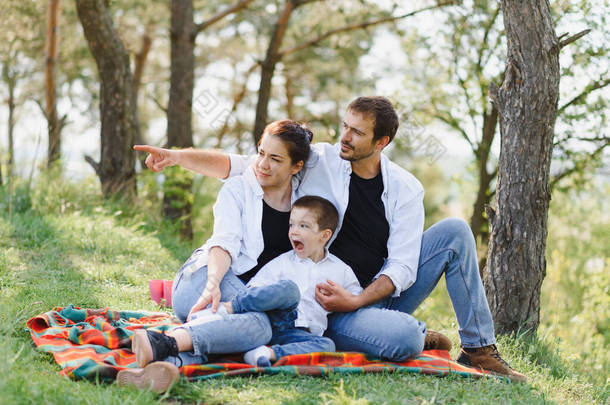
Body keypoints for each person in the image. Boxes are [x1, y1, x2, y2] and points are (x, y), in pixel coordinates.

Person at [135, 96, 526, 383]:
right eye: (344, 126)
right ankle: (173, 350)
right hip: (315, 295)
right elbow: (239, 166)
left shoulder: (406, 190)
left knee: (455, 232)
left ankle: (477, 349)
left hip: (365, 297)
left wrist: (357, 299)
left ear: (381, 143)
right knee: (263, 322)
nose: (344, 137)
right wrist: (175, 156)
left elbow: (404, 266)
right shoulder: (319, 160)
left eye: (357, 132)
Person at [118, 120, 314, 392]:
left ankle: (170, 363)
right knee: (259, 328)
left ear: (296, 167)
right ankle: (163, 341)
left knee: (247, 332)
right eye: (260, 153)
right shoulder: (238, 189)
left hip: (245, 297)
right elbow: (224, 243)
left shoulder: (305, 204)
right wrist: (212, 284)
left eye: (275, 159)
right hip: (203, 279)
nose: (263, 164)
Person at [216, 195, 363, 366]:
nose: (294, 231)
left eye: (303, 226)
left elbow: (355, 296)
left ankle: (266, 352)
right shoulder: (283, 262)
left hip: (300, 334)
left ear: (324, 235)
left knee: (327, 345)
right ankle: (228, 308)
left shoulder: (341, 270)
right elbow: (255, 288)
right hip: (275, 318)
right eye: (291, 224)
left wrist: (343, 298)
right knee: (288, 289)